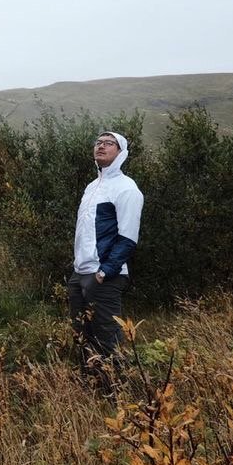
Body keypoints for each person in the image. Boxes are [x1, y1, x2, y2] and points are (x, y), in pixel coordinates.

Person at [68, 130, 144, 389]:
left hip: (104, 276)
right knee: (81, 334)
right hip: (80, 274)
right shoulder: (92, 187)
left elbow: (128, 238)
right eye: (98, 142)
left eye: (108, 143)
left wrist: (104, 272)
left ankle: (117, 392)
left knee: (107, 337)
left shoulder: (127, 188)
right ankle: (91, 387)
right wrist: (78, 271)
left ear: (121, 152)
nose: (101, 146)